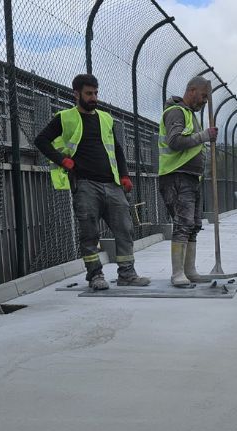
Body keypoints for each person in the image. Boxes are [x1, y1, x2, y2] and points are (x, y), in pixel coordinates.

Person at [34, 73, 149, 290]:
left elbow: (117, 149)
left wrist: (124, 175)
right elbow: (41, 140)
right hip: (85, 185)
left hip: (112, 184)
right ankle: (95, 275)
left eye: (96, 93)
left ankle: (127, 273)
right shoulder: (65, 117)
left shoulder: (105, 119)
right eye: (89, 93)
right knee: (89, 232)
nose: (94, 97)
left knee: (124, 228)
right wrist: (62, 160)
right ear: (76, 94)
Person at [158, 76, 219, 286]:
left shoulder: (191, 115)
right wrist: (204, 136)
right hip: (176, 175)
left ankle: (189, 270)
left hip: (191, 177)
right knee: (183, 223)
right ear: (191, 90)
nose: (204, 101)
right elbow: (175, 142)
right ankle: (177, 274)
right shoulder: (177, 112)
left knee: (193, 225)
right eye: (203, 96)